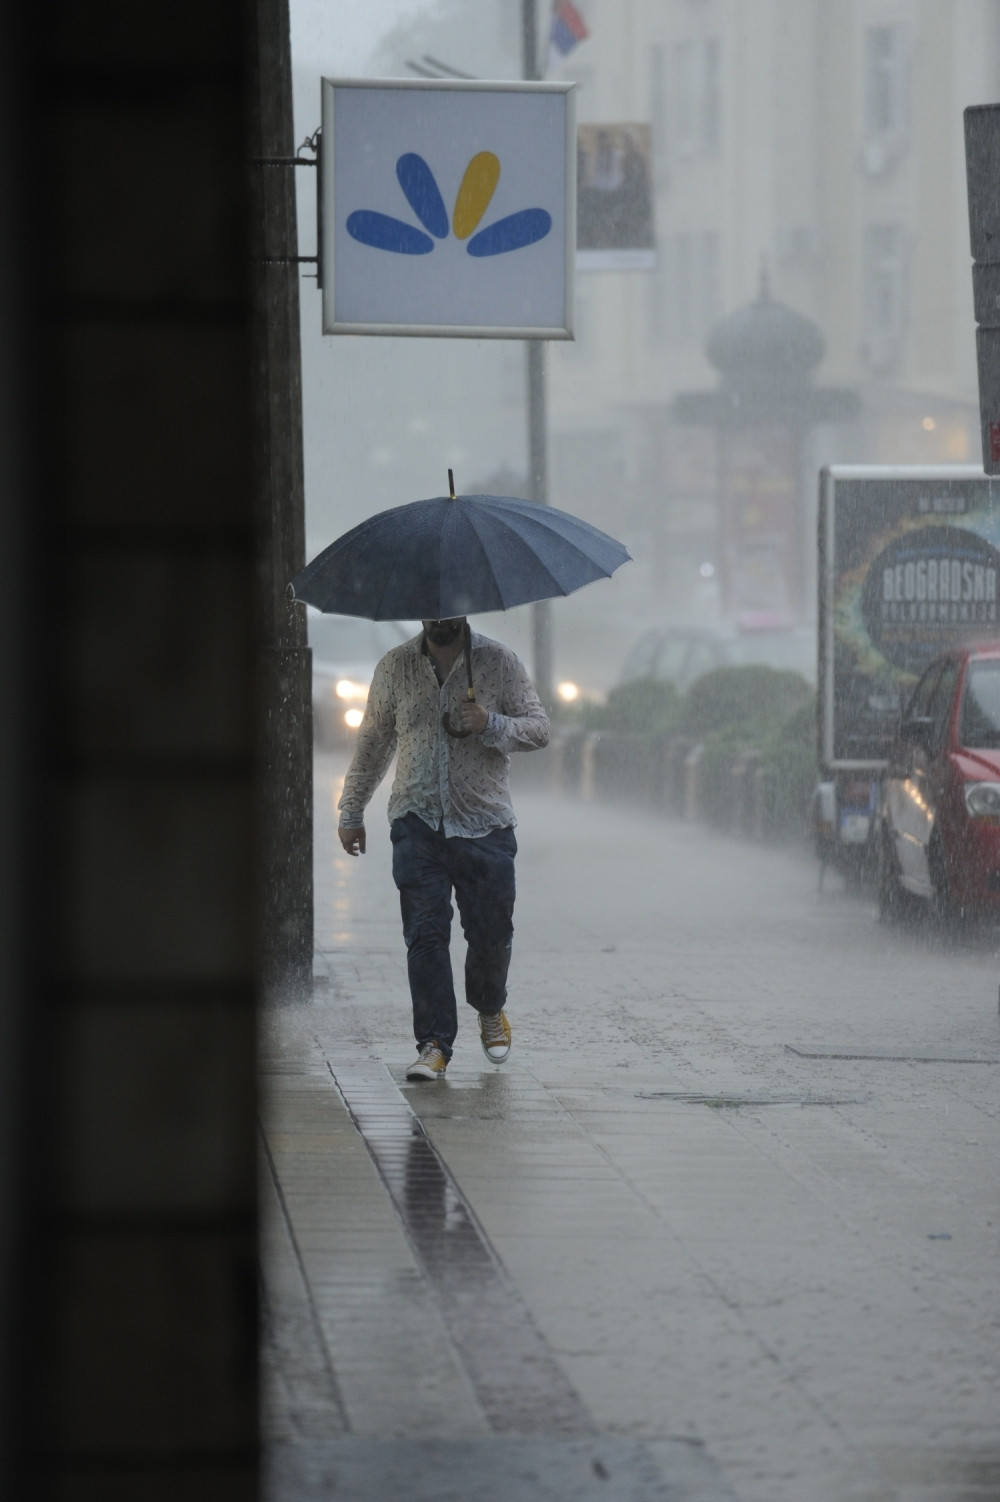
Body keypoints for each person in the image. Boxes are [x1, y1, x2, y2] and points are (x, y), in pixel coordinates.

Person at [337, 616, 550, 1080]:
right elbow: (374, 741)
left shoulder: (498, 662)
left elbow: (540, 729)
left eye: (447, 609)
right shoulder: (395, 667)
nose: (439, 618)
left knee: (491, 934)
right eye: (430, 609)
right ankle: (434, 1043)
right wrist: (351, 811)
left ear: (464, 610)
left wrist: (490, 724)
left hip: (484, 826)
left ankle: (490, 1006)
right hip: (417, 823)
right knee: (425, 935)